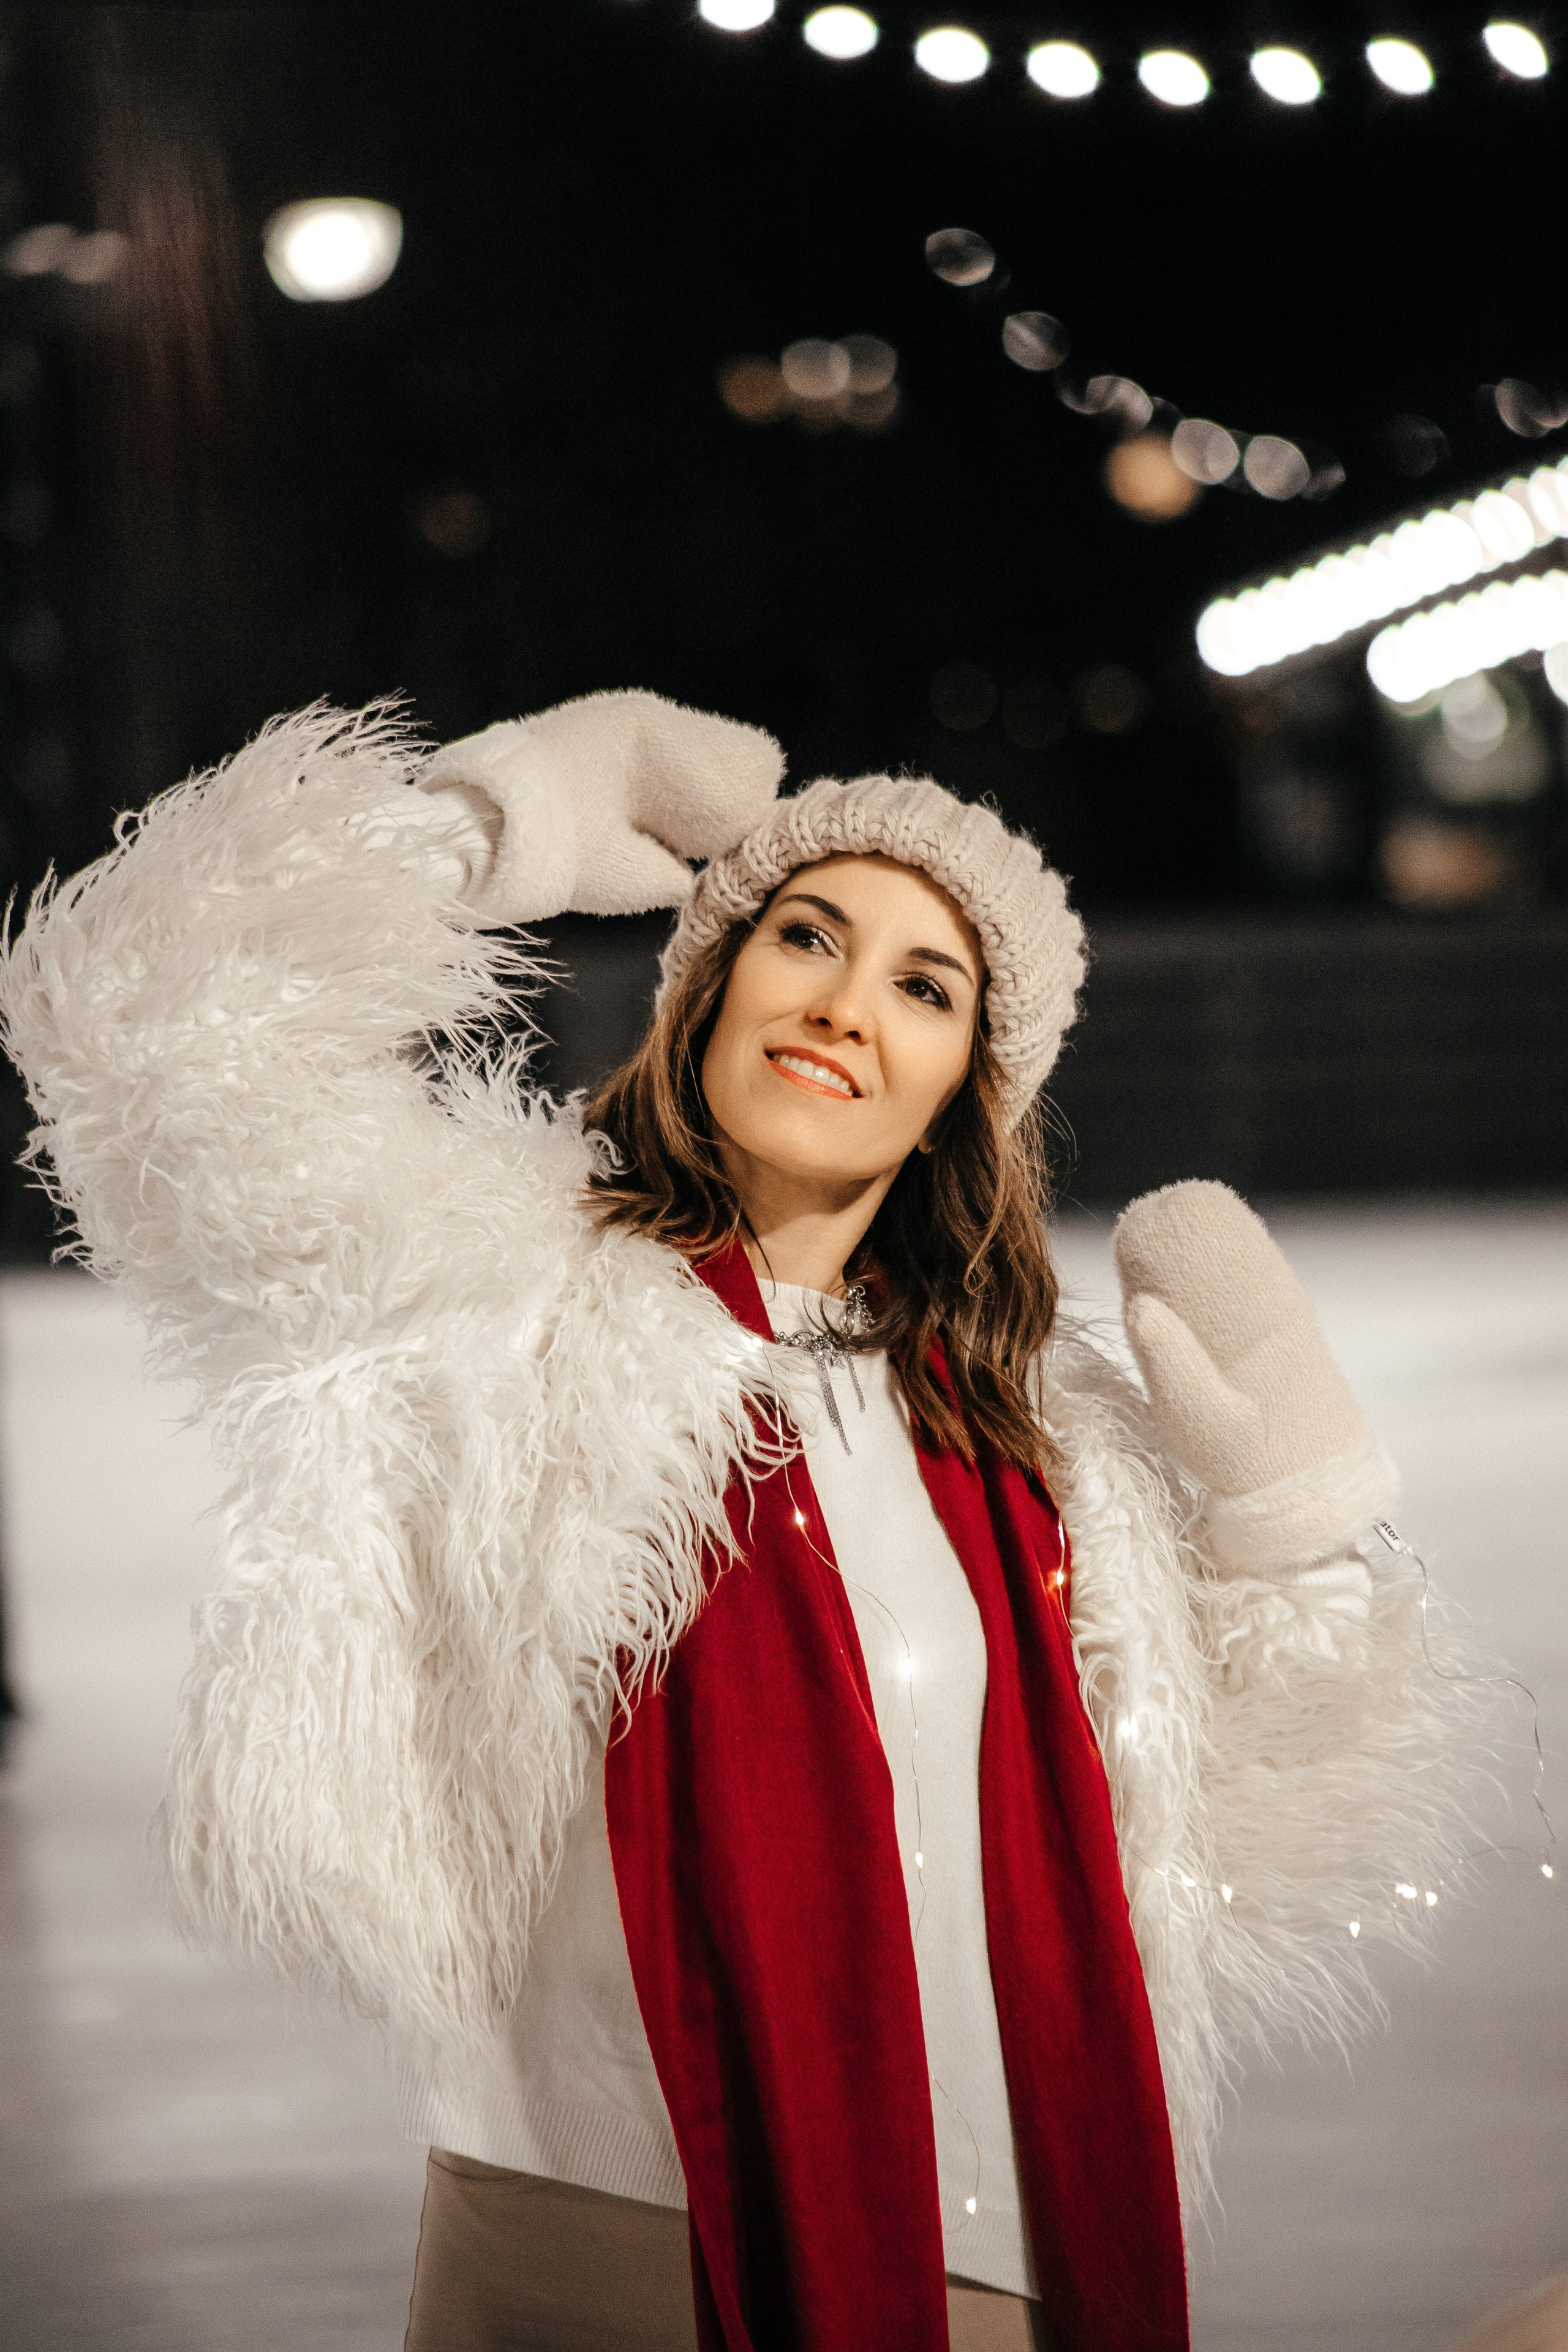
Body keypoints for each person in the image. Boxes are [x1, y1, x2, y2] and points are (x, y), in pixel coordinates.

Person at [0, 692, 1473, 2352]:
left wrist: (1296, 1515)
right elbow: (136, 1016)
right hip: (611, 2238)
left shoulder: (1045, 1439)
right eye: (807, 939)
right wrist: (493, 822)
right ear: (710, 983)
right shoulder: (487, 1304)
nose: (846, 1007)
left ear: (965, 1089)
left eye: (924, 987)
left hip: (1010, 2248)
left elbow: (1229, 1839)